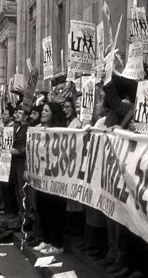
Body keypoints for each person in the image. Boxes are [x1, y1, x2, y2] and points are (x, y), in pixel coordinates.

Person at [33, 103, 67, 255]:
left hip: (56, 177)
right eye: (43, 110)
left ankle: (57, 243)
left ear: (54, 114)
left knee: (55, 210)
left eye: (47, 110)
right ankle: (46, 240)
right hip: (42, 177)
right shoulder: (39, 129)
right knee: (42, 207)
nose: (43, 112)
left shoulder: (61, 131)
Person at [63, 98, 85, 236]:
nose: (65, 109)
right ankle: (71, 225)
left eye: (68, 106)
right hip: (67, 163)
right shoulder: (67, 122)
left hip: (78, 163)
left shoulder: (80, 123)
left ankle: (77, 227)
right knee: (69, 196)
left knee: (77, 197)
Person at [10, 106, 30, 224]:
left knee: (22, 190)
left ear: (25, 116)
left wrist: (19, 151)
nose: (17, 115)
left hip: (22, 161)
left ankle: (25, 215)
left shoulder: (27, 128)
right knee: (17, 189)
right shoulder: (16, 127)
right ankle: (20, 213)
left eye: (20, 113)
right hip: (15, 161)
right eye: (16, 112)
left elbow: (28, 145)